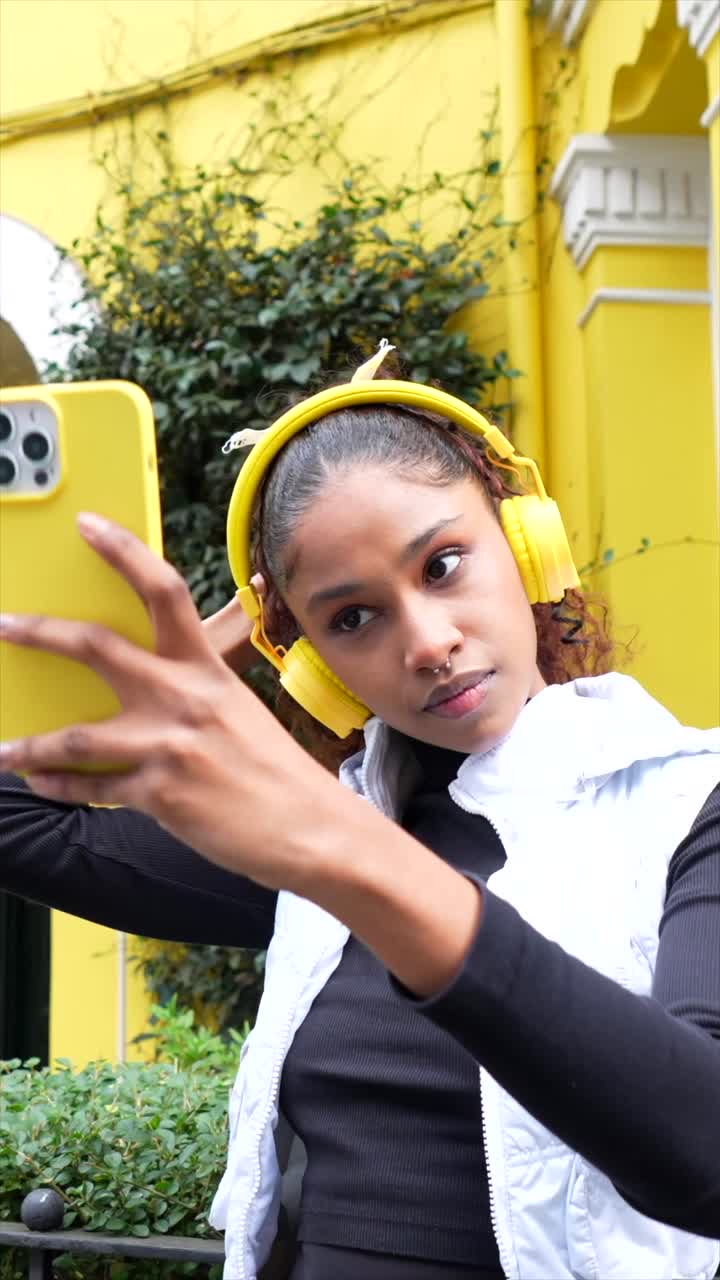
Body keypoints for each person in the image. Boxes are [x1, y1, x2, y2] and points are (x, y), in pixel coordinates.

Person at [0, 345, 719, 1280]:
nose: (428, 642)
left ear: (530, 544)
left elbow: (702, 1149)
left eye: (445, 563)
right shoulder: (319, 837)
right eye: (350, 619)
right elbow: (25, 828)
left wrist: (348, 856)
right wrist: (127, 694)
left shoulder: (685, 805)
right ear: (307, 664)